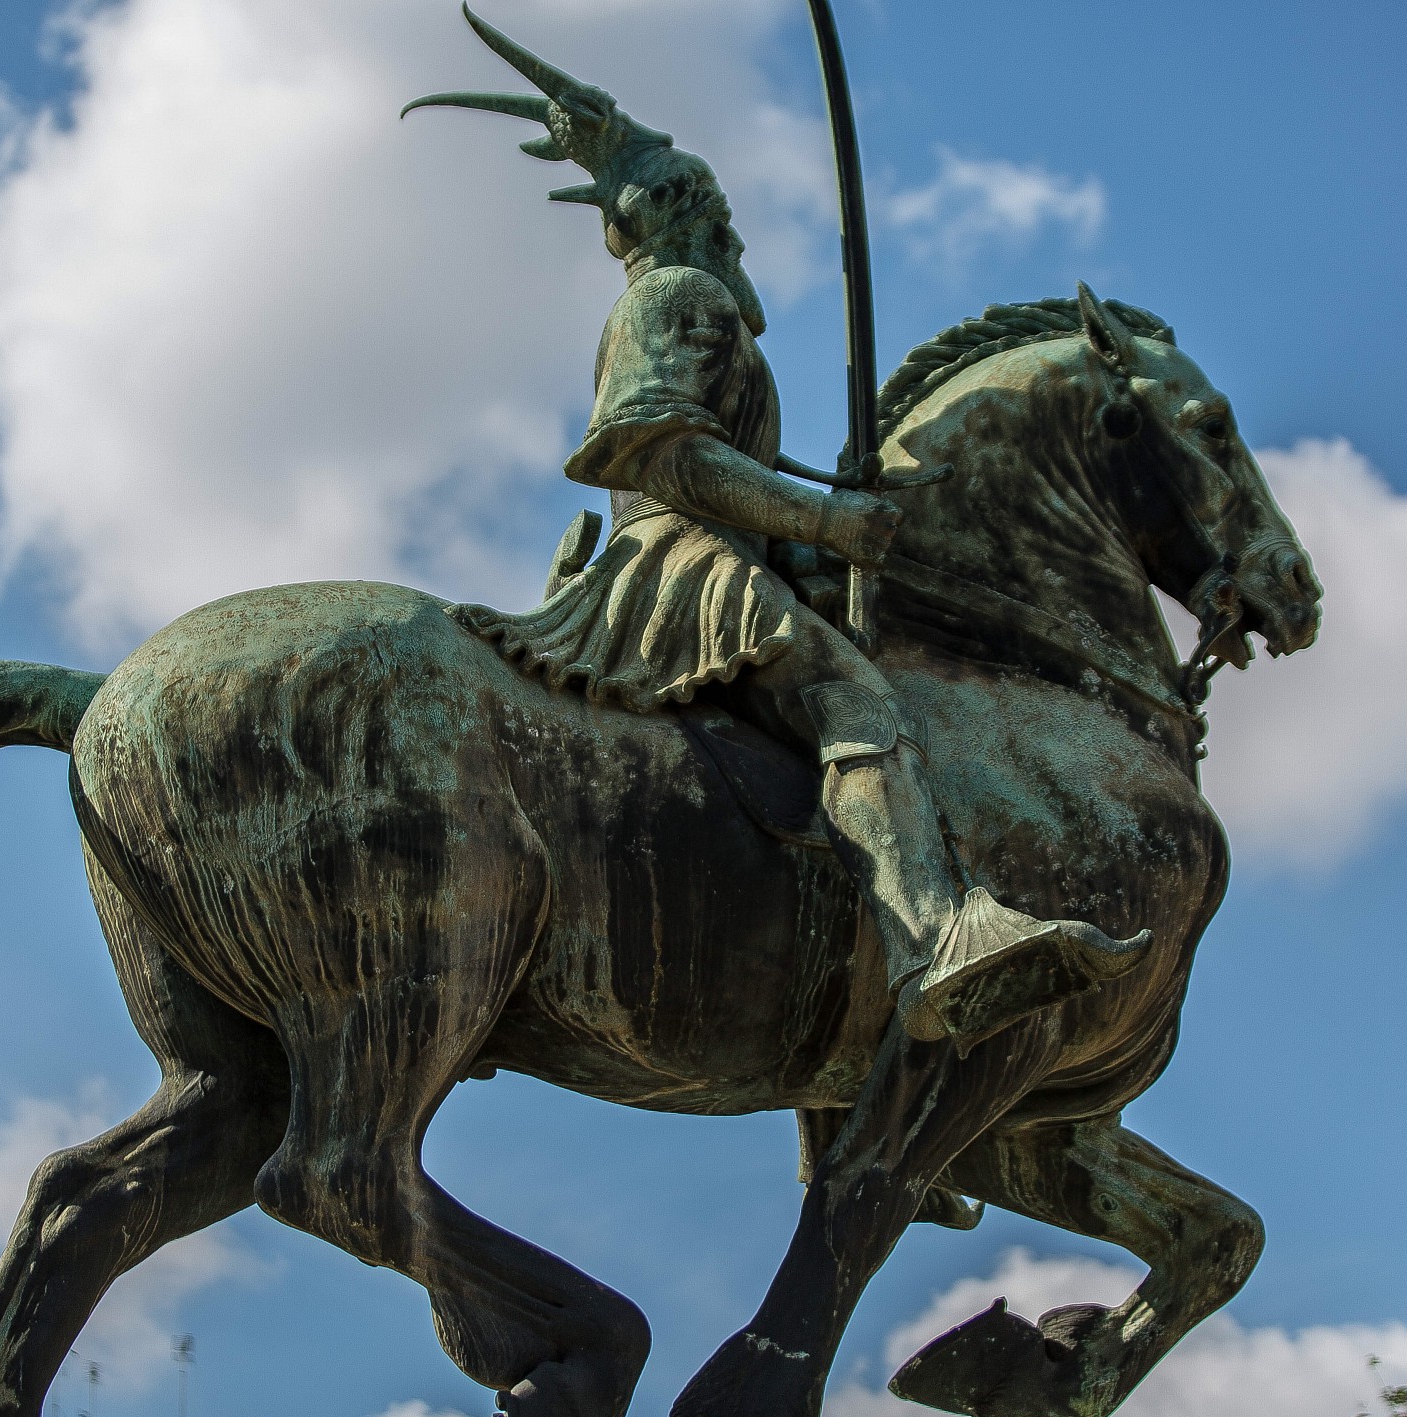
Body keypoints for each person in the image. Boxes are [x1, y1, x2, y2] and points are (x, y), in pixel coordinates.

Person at [408, 9, 1145, 1055]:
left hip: (712, 558)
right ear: (697, 221)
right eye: (726, 218)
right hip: (682, 568)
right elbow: (667, 457)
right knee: (856, 702)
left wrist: (819, 539)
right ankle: (936, 938)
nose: (740, 240)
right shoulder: (683, 295)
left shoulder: (686, 302)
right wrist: (827, 517)